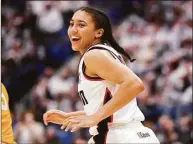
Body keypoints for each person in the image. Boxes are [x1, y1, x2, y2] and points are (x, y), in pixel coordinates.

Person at [43, 7, 160, 143]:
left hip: (118, 137)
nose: (74, 29)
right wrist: (75, 117)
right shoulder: (104, 53)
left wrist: (94, 117)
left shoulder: (94, 55)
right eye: (71, 24)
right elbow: (116, 108)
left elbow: (135, 84)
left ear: (98, 33)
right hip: (134, 135)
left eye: (81, 25)